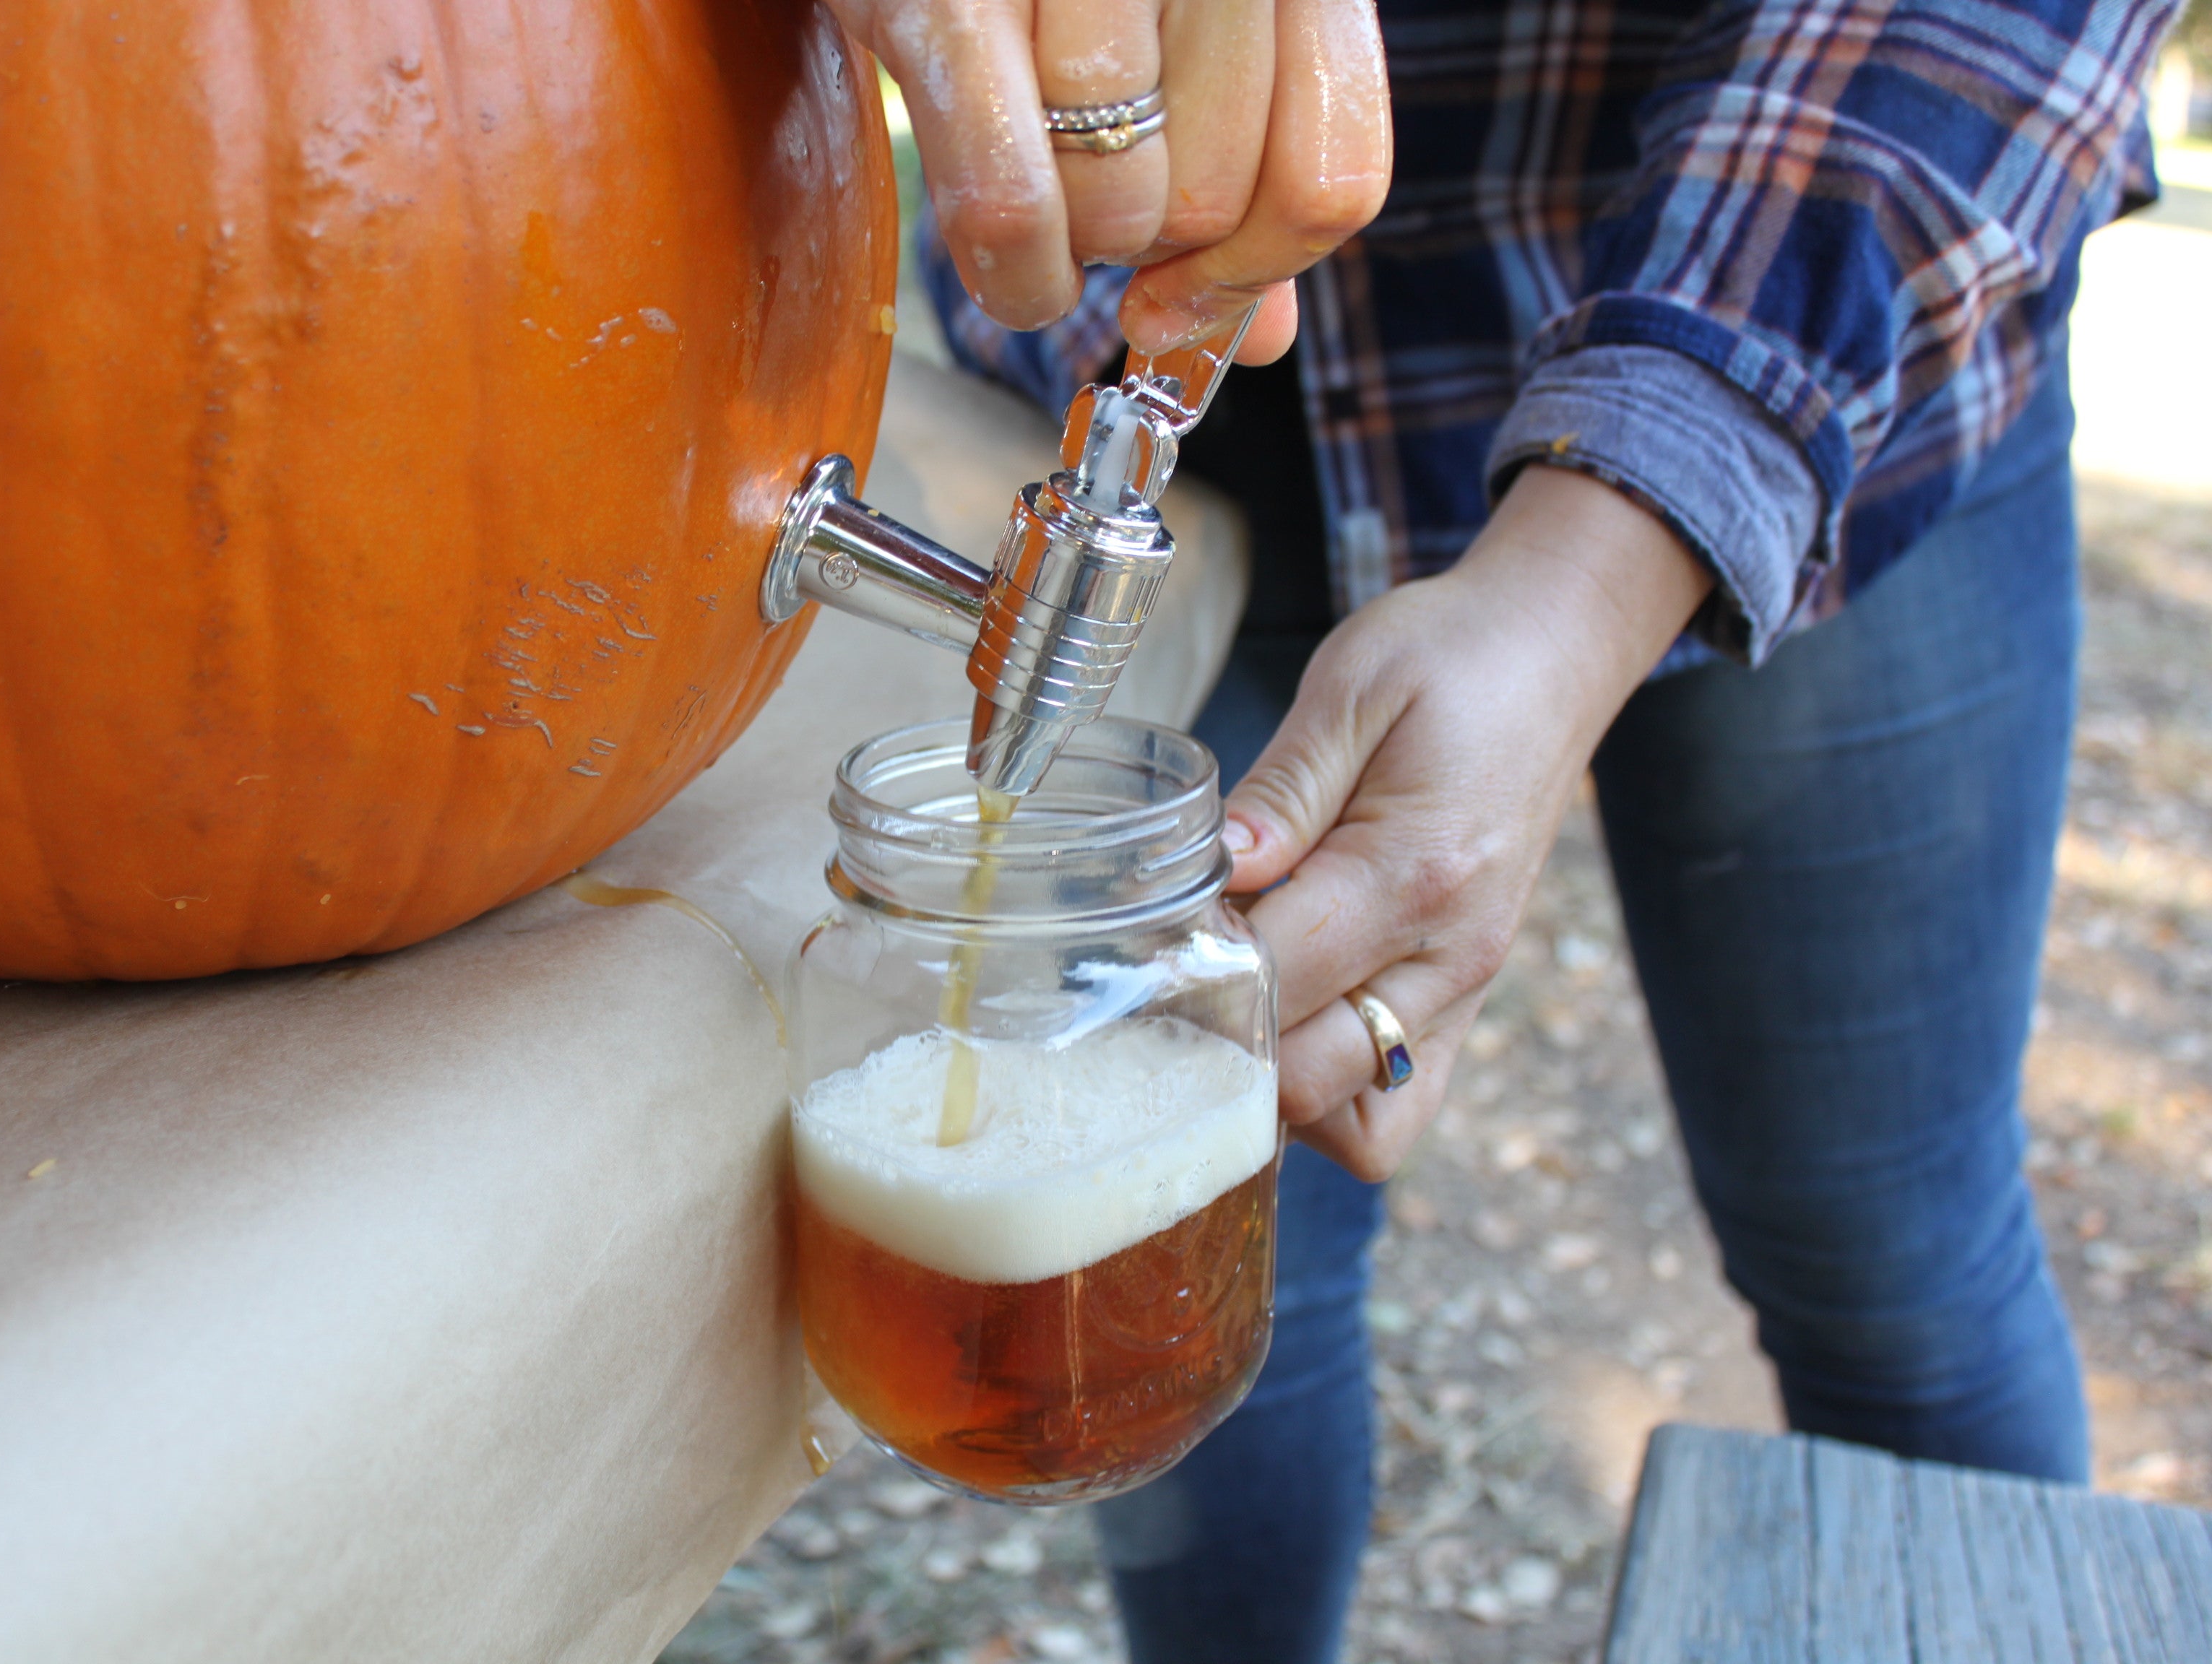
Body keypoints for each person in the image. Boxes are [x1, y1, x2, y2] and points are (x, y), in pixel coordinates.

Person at [826, 0, 2184, 1658]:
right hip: (1212, 430)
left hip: (1819, 342)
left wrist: (1590, 574)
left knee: (1891, 1258)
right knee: (1231, 1267)